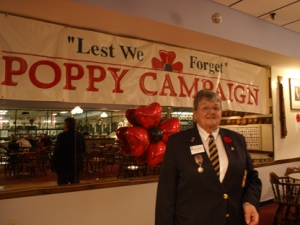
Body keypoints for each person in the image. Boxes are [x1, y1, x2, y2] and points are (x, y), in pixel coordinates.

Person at [155, 90, 262, 225]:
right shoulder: (178, 143)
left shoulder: (237, 140)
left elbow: (252, 178)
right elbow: (166, 192)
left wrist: (249, 202)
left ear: (221, 112)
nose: (211, 112)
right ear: (195, 114)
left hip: (233, 220)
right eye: (205, 107)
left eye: (216, 108)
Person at [51, 117, 86, 185]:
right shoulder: (80, 135)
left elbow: (57, 151)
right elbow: (83, 149)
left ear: (66, 125)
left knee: (62, 185)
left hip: (63, 164)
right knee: (75, 185)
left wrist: (53, 164)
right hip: (76, 163)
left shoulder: (62, 136)